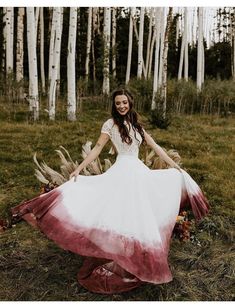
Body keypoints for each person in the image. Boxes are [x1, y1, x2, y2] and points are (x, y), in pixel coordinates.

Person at [12, 88, 209, 294]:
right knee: (117, 213)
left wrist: (174, 166)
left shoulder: (137, 125)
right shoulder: (110, 124)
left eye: (124, 102)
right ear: (114, 106)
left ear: (130, 103)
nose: (121, 106)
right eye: (118, 103)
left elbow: (156, 146)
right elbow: (97, 148)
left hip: (138, 172)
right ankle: (116, 255)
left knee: (137, 214)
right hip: (121, 172)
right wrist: (78, 168)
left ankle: (130, 255)